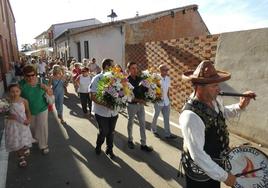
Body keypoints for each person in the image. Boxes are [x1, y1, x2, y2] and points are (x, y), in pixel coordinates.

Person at [179, 60, 256, 188]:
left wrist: (240, 106)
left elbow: (222, 113)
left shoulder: (215, 100)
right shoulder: (190, 116)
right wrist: (225, 177)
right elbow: (197, 155)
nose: (219, 89)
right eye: (214, 85)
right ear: (199, 87)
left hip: (215, 166)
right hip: (200, 173)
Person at [19, 65, 53, 155]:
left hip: (42, 108)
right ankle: (36, 139)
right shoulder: (21, 84)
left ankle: (44, 145)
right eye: (28, 76)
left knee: (42, 127)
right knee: (32, 127)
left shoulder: (42, 81)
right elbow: (16, 96)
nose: (31, 77)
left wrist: (46, 88)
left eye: (32, 75)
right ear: (24, 76)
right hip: (28, 110)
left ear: (35, 74)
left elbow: (50, 92)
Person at [89, 59, 118, 159]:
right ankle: (98, 146)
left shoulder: (116, 78)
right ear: (106, 66)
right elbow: (92, 96)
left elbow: (121, 92)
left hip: (113, 112)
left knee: (111, 132)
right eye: (112, 66)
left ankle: (109, 149)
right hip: (101, 112)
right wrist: (106, 104)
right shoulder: (97, 78)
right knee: (104, 131)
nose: (114, 68)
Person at [5, 83, 34, 168]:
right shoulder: (6, 101)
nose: (15, 93)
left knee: (24, 139)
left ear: (20, 92)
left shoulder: (24, 101)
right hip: (12, 126)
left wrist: (29, 119)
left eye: (17, 91)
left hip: (23, 124)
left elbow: (28, 111)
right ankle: (21, 158)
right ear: (9, 92)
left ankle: (25, 147)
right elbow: (4, 114)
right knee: (16, 141)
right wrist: (9, 116)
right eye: (12, 92)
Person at [126, 61, 153, 152]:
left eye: (136, 68)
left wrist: (150, 91)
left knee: (142, 124)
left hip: (141, 106)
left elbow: (146, 90)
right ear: (129, 69)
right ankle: (130, 140)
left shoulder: (140, 79)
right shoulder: (126, 81)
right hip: (131, 106)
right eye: (133, 68)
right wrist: (139, 100)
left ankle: (143, 144)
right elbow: (128, 97)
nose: (135, 70)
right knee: (130, 123)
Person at [151, 64, 177, 139]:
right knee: (155, 116)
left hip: (166, 101)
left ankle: (167, 134)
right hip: (158, 101)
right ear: (161, 70)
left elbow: (168, 89)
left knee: (166, 118)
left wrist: (169, 99)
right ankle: (154, 130)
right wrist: (155, 98)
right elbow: (152, 90)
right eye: (165, 70)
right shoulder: (156, 78)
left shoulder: (168, 78)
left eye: (167, 70)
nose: (167, 71)